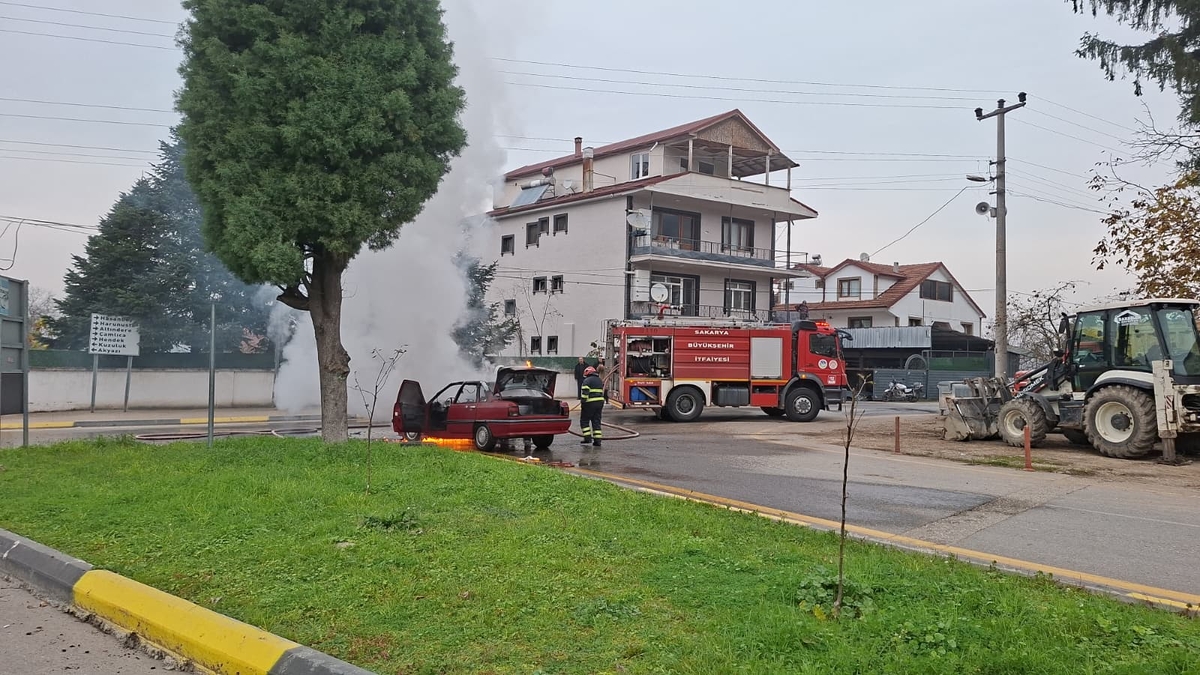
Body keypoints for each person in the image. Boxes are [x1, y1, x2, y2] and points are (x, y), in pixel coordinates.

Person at [579, 365, 605, 447]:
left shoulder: (587, 381)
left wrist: (583, 402)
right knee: (596, 421)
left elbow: (585, 393)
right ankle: (597, 441)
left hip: (589, 404)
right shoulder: (599, 380)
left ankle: (587, 438)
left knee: (584, 421)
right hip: (600, 403)